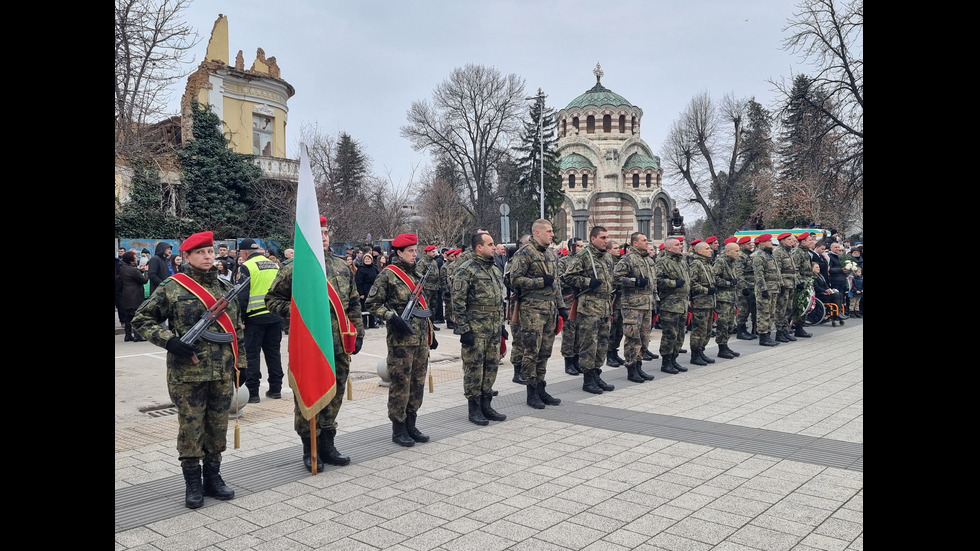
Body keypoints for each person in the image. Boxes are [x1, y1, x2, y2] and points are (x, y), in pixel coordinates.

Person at [131, 231, 243, 509]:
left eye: (210, 252)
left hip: (221, 372)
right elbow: (141, 319)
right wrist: (170, 341)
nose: (208, 257)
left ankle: (213, 478)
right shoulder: (173, 286)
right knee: (191, 429)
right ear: (187, 257)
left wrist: (242, 366)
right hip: (187, 373)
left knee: (217, 427)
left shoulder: (224, 287)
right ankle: (192, 483)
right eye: (201, 253)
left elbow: (237, 330)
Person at [265, 216, 364, 471]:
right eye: (317, 232)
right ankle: (310, 449)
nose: (323, 237)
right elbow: (272, 300)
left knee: (335, 394)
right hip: (310, 344)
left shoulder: (342, 266)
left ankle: (328, 445)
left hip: (339, 343)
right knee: (308, 395)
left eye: (325, 232)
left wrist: (357, 332)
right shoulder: (294, 267)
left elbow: (353, 303)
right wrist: (300, 311)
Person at [365, 233, 439, 447]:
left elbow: (423, 307)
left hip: (421, 339)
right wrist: (392, 317)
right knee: (401, 384)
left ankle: (411, 424)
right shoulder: (388, 275)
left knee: (417, 383)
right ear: (399, 252)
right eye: (410, 251)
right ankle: (398, 429)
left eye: (416, 250)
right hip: (401, 340)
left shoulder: (417, 273)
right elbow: (372, 303)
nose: (415, 255)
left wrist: (430, 333)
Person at [510, 219, 567, 407]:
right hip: (532, 310)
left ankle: (541, 387)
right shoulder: (524, 253)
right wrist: (540, 282)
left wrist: (561, 307)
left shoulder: (551, 254)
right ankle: (531, 390)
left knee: (545, 352)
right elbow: (515, 280)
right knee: (531, 352)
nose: (552, 234)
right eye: (549, 231)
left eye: (552, 231)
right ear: (537, 233)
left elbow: (556, 283)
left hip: (550, 310)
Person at [452, 232, 507, 426]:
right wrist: (464, 329)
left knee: (491, 366)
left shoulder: (494, 269)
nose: (494, 247)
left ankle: (486, 404)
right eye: (490, 244)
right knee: (474, 368)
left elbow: (498, 300)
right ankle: (474, 408)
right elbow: (457, 302)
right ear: (479, 247)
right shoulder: (466, 269)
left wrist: (501, 326)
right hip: (475, 328)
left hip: (493, 327)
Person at [561, 226, 616, 394]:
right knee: (589, 344)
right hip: (589, 308)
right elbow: (568, 277)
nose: (606, 240)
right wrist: (587, 282)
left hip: (605, 307)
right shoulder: (584, 256)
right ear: (593, 239)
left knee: (602, 344)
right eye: (602, 237)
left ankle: (597, 374)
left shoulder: (607, 257)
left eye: (607, 237)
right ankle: (588, 379)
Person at [236, 238, 285, 403]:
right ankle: (276, 389)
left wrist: (240, 318)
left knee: (252, 355)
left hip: (255, 318)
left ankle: (253, 393)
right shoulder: (275, 265)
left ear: (243, 253)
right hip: (275, 316)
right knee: (273, 353)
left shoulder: (247, 267)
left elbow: (242, 295)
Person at [612, 231, 658, 382]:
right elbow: (616, 279)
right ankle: (631, 368)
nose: (647, 242)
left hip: (647, 304)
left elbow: (653, 283)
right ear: (635, 243)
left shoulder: (649, 260)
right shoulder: (627, 259)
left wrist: (655, 300)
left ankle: (639, 365)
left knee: (644, 338)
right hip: (632, 305)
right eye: (644, 240)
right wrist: (634, 281)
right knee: (633, 338)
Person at [655, 237, 691, 374]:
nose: (680, 246)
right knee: (670, 334)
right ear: (668, 248)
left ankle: (674, 359)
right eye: (677, 245)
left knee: (680, 333)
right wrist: (674, 283)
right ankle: (666, 362)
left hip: (682, 303)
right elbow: (657, 281)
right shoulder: (662, 262)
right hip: (670, 304)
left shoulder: (682, 262)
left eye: (681, 244)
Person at [688, 242, 717, 366]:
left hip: (709, 301)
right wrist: (705, 290)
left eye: (710, 248)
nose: (710, 250)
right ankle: (695, 354)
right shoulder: (696, 264)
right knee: (699, 329)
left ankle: (701, 351)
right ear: (699, 251)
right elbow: (692, 283)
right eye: (707, 248)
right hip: (701, 301)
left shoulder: (707, 264)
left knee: (707, 329)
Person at [557, 237, 584, 376]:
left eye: (582, 246)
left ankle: (577, 360)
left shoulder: (583, 261)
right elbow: (560, 281)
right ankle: (569, 362)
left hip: (581, 301)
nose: (581, 248)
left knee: (579, 333)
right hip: (568, 301)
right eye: (579, 246)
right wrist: (575, 281)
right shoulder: (563, 262)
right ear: (571, 247)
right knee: (569, 333)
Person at [751, 234, 781, 346]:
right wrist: (763, 289)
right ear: (762, 243)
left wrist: (780, 284)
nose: (771, 243)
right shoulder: (758, 256)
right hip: (765, 289)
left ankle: (768, 334)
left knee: (771, 312)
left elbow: (776, 271)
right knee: (764, 313)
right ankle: (763, 337)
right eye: (768, 241)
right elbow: (759, 275)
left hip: (773, 288)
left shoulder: (769, 254)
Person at [713, 242, 741, 359]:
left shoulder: (731, 263)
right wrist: (728, 283)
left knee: (730, 324)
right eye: (736, 251)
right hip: (723, 298)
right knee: (723, 324)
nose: (738, 253)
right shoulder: (721, 261)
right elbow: (714, 277)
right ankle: (721, 347)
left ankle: (726, 345)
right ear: (728, 251)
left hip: (730, 297)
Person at [772, 232, 799, 343]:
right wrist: (781, 284)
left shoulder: (788, 252)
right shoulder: (778, 252)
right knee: (781, 310)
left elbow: (793, 270)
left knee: (788, 309)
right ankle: (779, 332)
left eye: (792, 240)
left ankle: (785, 331)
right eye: (789, 240)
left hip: (791, 283)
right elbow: (777, 270)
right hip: (784, 284)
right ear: (782, 240)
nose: (791, 242)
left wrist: (796, 282)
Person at [604, 239, 627, 369]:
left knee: (619, 329)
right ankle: (609, 354)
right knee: (611, 329)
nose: (618, 250)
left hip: (620, 300)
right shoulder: (607, 262)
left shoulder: (621, 262)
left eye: (619, 248)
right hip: (611, 299)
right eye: (616, 248)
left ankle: (615, 351)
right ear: (609, 250)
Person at [118, 251, 150, 342]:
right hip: (135, 295)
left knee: (128, 316)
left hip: (126, 294)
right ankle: (137, 335)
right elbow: (144, 280)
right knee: (137, 315)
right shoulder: (133, 270)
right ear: (131, 260)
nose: (137, 260)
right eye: (135, 258)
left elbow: (132, 276)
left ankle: (128, 335)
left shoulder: (124, 268)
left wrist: (140, 270)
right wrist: (146, 271)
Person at [790, 232, 816, 338]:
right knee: (798, 306)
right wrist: (799, 282)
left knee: (805, 306)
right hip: (800, 284)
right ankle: (793, 328)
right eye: (810, 240)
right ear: (803, 241)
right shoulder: (798, 253)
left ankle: (799, 328)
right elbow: (795, 269)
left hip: (807, 282)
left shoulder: (806, 252)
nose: (812, 242)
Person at [734, 236, 758, 340]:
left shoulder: (749, 255)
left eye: (751, 243)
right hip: (743, 287)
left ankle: (747, 330)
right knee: (743, 310)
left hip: (751, 285)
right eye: (748, 243)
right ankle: (741, 330)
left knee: (749, 308)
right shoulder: (740, 256)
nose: (751, 245)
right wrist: (743, 287)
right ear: (742, 245)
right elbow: (739, 273)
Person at [812, 261, 846, 326]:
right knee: (835, 295)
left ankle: (839, 312)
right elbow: (816, 287)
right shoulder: (813, 277)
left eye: (818, 267)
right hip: (819, 294)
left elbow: (825, 285)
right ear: (812, 268)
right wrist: (825, 291)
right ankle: (836, 314)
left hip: (824, 292)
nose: (818, 268)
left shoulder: (820, 275)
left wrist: (830, 289)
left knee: (839, 294)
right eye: (816, 267)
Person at [419, 245, 442, 331]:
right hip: (427, 288)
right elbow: (419, 274)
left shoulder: (434, 262)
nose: (434, 253)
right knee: (426, 306)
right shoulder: (422, 262)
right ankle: (426, 324)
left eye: (434, 251)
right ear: (427, 252)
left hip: (434, 288)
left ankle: (431, 323)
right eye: (432, 252)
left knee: (433, 307)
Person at [355, 250, 379, 328]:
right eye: (366, 259)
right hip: (364, 290)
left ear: (371, 260)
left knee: (372, 306)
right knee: (364, 307)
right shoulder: (360, 269)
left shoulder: (374, 268)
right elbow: (358, 282)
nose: (367, 260)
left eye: (369, 259)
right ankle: (364, 324)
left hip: (373, 290)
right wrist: (361, 293)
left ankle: (372, 323)